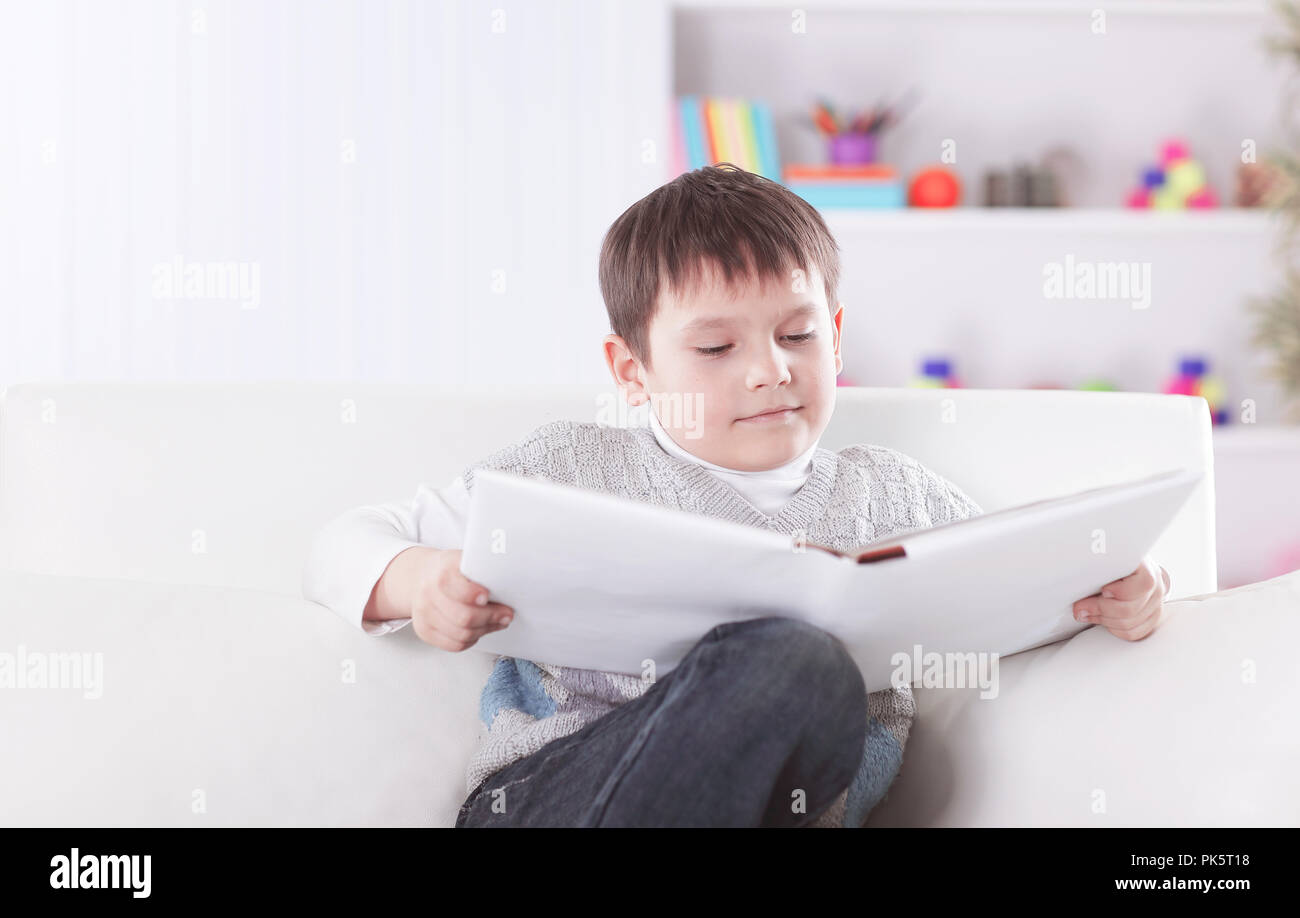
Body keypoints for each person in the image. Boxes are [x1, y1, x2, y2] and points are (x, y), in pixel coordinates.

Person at [302, 163, 1172, 827]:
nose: (769, 371)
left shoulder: (889, 494)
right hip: (558, 798)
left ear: (833, 337)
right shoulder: (568, 466)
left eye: (797, 334)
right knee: (789, 658)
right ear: (632, 371)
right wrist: (420, 584)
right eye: (715, 349)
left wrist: (1128, 584)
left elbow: (1033, 572)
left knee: (805, 670)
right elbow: (341, 543)